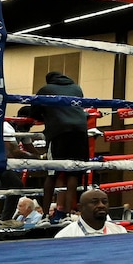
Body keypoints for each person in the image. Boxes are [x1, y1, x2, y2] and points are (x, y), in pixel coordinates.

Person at [30, 71, 88, 220]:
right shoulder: (77, 88)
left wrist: (46, 115)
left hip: (59, 131)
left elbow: (34, 112)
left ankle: (44, 215)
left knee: (52, 173)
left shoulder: (46, 89)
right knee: (73, 172)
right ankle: (68, 214)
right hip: (80, 131)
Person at [53, 189, 128, 238]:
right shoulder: (65, 236)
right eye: (94, 202)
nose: (101, 205)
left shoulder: (120, 232)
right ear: (80, 208)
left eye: (104, 202)